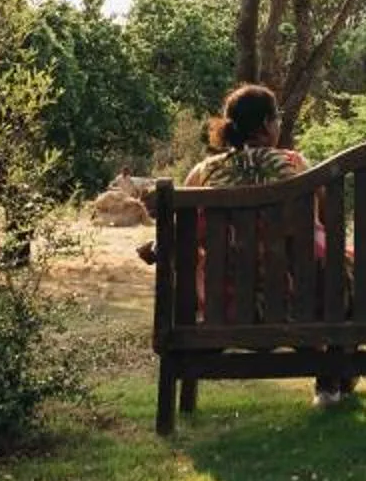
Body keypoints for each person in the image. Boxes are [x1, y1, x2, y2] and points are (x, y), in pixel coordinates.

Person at [149, 84, 351, 406]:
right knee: (340, 270)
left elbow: (182, 238)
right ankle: (329, 383)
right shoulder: (294, 165)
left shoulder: (203, 173)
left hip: (223, 308)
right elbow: (321, 226)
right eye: (277, 118)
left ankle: (181, 400)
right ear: (267, 125)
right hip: (290, 308)